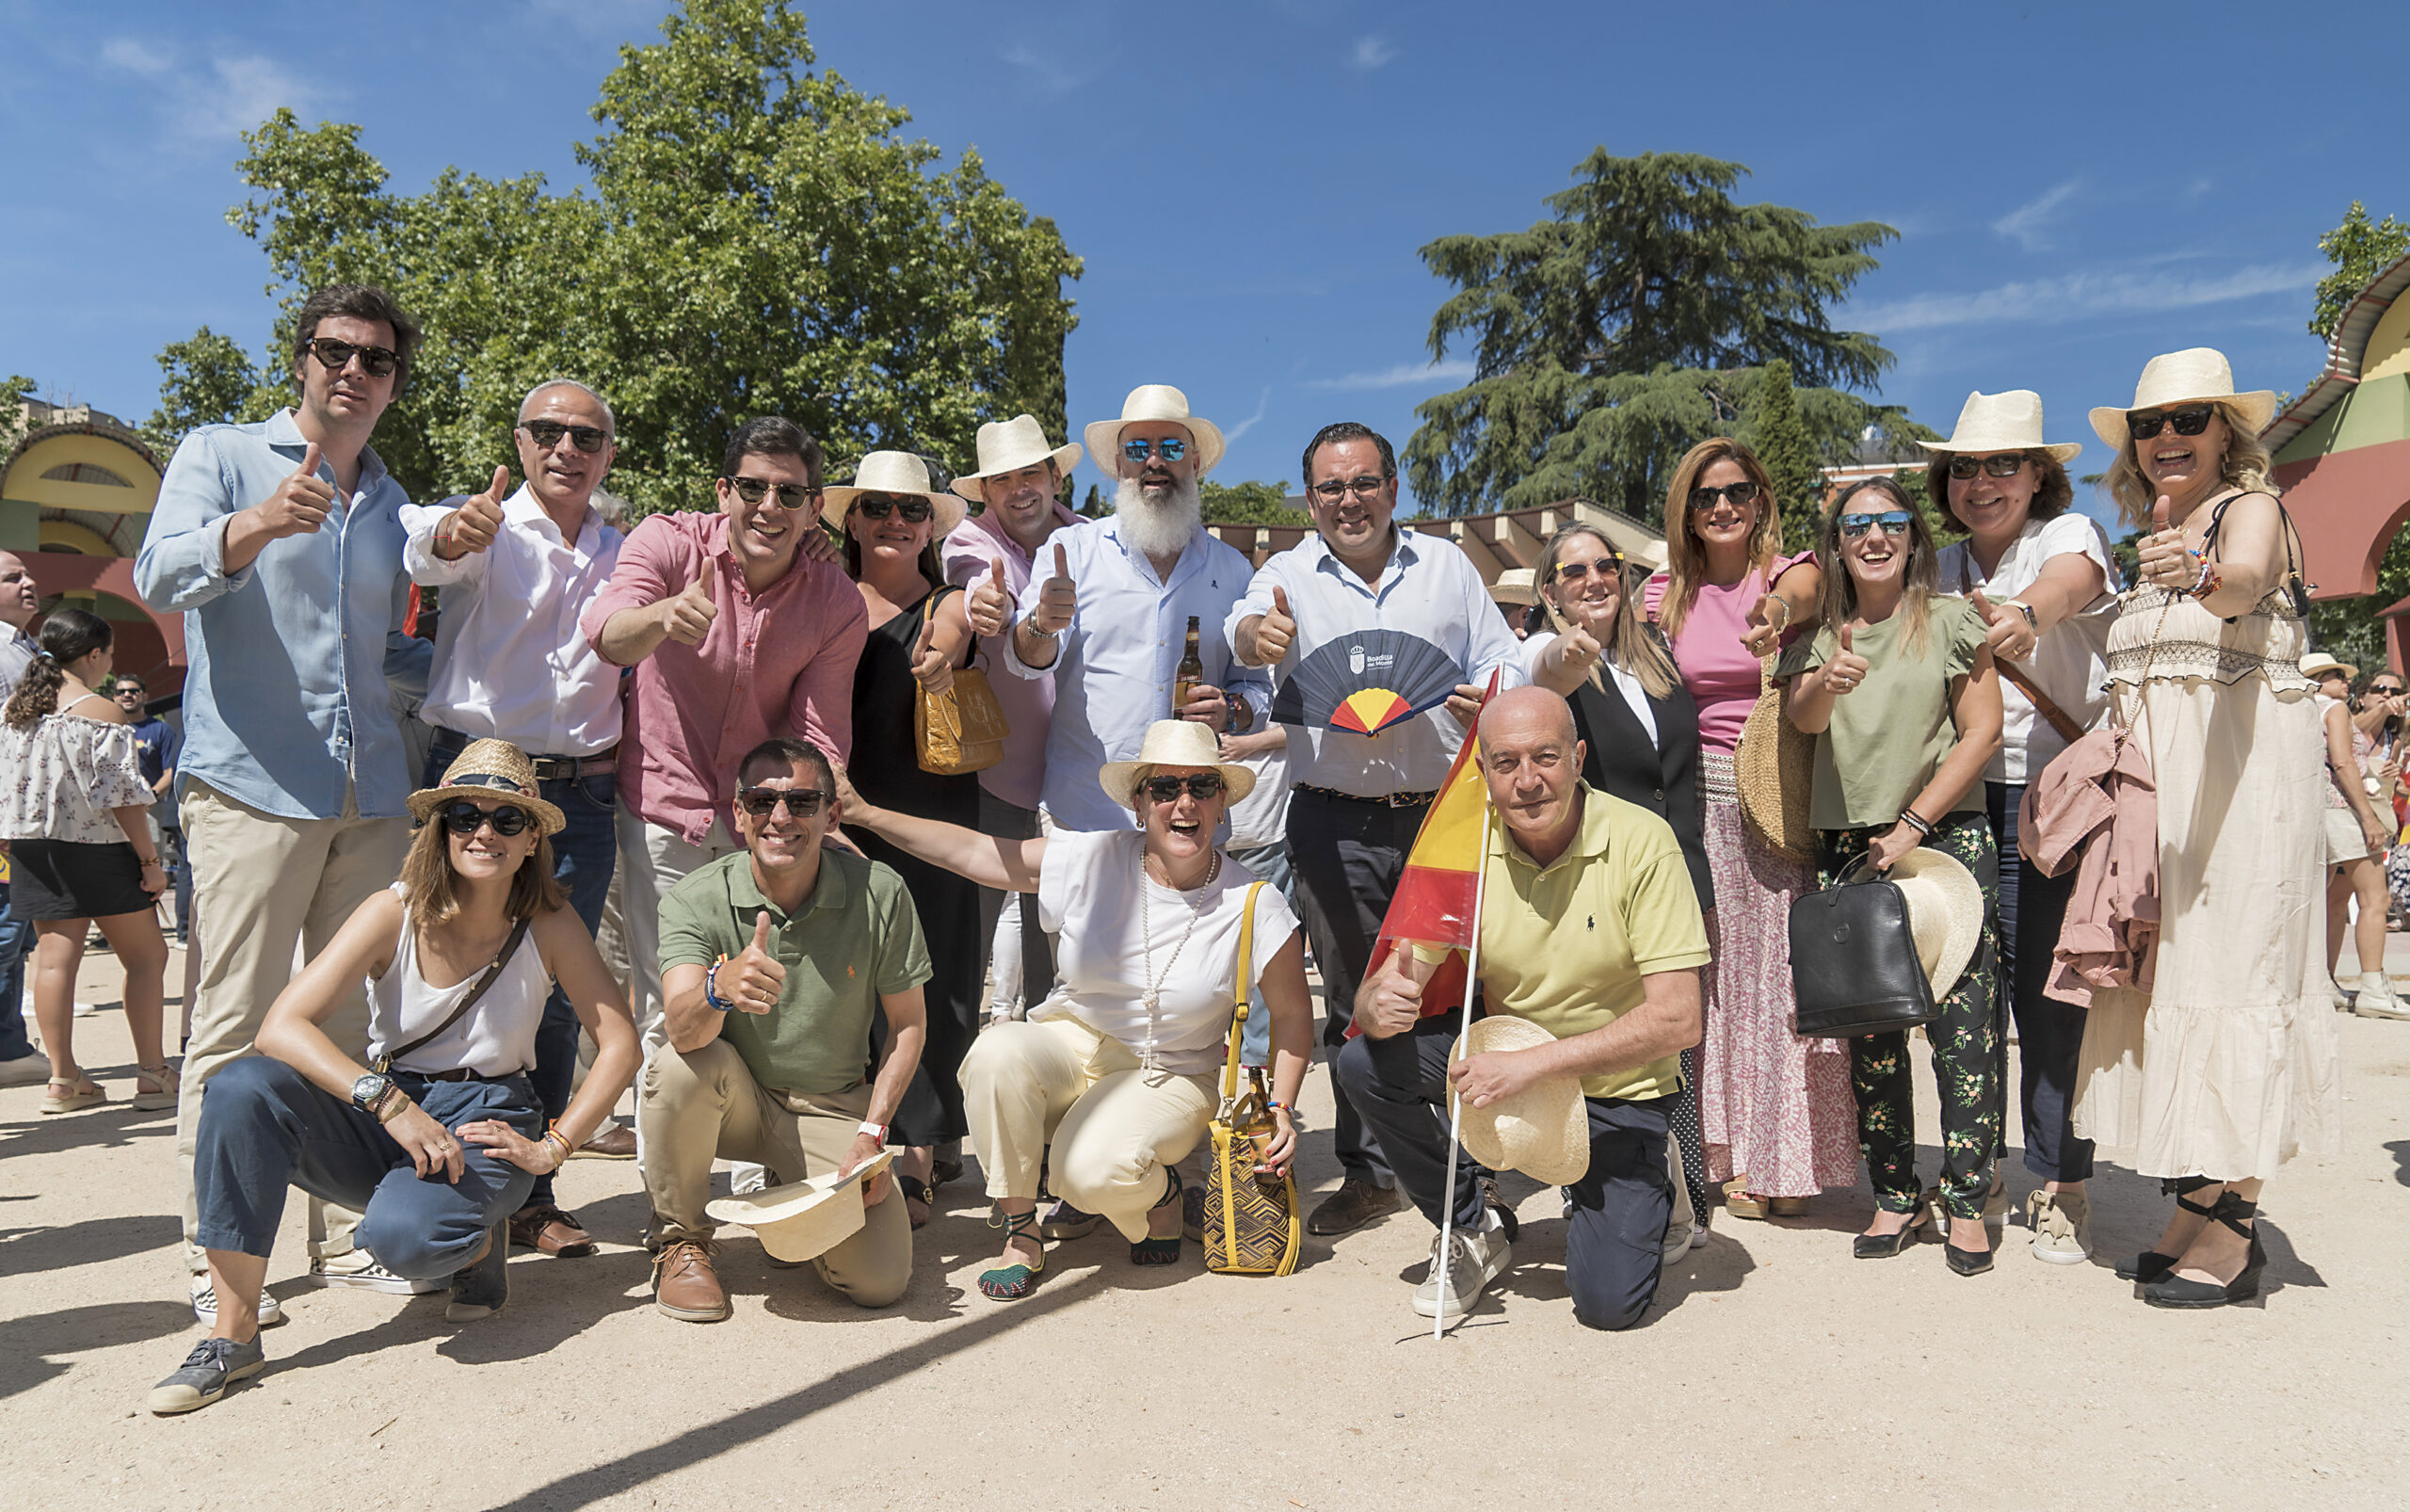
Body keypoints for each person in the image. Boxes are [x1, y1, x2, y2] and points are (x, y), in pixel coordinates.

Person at [144, 740, 641, 1413]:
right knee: (241, 1089)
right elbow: (281, 1027)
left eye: (507, 819)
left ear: (532, 841)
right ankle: (232, 1337)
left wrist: (554, 1147)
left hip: (489, 1108)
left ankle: (473, 1248)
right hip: (393, 1101)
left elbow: (620, 1044)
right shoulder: (394, 909)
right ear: (440, 829)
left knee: (405, 1242)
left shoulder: (548, 922)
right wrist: (384, 1100)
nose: (484, 833)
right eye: (464, 816)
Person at [136, 282, 435, 1318]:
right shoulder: (220, 455)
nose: (354, 371)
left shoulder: (394, 503)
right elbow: (155, 577)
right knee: (232, 1027)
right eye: (335, 351)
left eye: (377, 360)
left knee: (349, 1024)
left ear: (394, 383)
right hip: (252, 787)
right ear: (301, 359)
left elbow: (389, 653)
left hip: (372, 793)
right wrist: (255, 525)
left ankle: (347, 1235)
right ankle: (219, 1259)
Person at [835, 719, 1310, 1299]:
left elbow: (1292, 1014)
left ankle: (1160, 1197)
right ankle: (1020, 1230)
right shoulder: (1096, 856)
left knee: (1085, 1174)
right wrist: (865, 814)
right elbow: (977, 853)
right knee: (994, 1053)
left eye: (1201, 787)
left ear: (1221, 804)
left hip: (1172, 1069)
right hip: (1071, 1042)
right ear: (1139, 804)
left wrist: (1281, 1108)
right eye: (1165, 788)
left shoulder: (1254, 902)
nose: (1183, 804)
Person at [2076, 347, 2340, 1308]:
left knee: (2238, 979)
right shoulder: (2152, 530)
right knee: (2181, 984)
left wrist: (2198, 571)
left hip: (2240, 806)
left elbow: (2241, 583)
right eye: (2149, 424)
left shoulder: (2248, 510)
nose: (2166, 437)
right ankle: (2197, 1202)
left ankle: (2236, 1226)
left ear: (2227, 431)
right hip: (2168, 816)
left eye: (2189, 419)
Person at [1229, 421, 1525, 1238]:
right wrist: (1257, 636)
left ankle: (1475, 1167)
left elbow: (1503, 658)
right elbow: (1241, 630)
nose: (1349, 500)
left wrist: (1490, 691)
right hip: (1332, 821)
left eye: (1364, 483)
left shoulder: (1447, 567)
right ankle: (1368, 1174)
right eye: (1331, 487)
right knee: (1354, 1002)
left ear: (1393, 488)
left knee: (1458, 995)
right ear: (1310, 500)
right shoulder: (1285, 575)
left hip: (1443, 816)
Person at [1345, 687, 1708, 1327]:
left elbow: (1679, 1020)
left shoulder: (1642, 840)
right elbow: (1386, 989)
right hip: (1512, 1075)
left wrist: (1532, 1065)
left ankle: (1659, 1174)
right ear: (1483, 772)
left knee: (1608, 1308)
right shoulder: (1462, 848)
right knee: (1363, 1063)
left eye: (1546, 756)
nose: (1528, 780)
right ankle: (1471, 1225)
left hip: (1614, 1089)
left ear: (1579, 758)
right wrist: (1378, 1004)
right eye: (1506, 762)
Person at [401, 378, 628, 1253]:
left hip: (579, 793)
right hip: (475, 785)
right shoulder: (484, 526)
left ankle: (535, 1191)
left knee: (563, 995)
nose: (567, 448)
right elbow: (428, 546)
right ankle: (433, 1177)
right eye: (548, 431)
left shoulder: (625, 550)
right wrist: (451, 532)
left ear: (608, 454)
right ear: (521, 441)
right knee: (444, 970)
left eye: (586, 437)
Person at [580, 416, 864, 1068]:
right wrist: (662, 616)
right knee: (670, 1006)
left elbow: (817, 736)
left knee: (762, 1003)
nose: (769, 507)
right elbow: (607, 631)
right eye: (753, 487)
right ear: (723, 491)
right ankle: (665, 1140)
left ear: (815, 508)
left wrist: (819, 825)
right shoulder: (668, 542)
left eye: (790, 493)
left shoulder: (835, 600)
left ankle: (751, 1142)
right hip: (663, 808)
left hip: (763, 820)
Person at [1782, 475, 2005, 1276]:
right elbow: (1803, 720)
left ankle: (1968, 1200)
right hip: (1848, 846)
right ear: (1837, 545)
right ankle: (1895, 1194)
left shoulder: (1951, 619)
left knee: (1963, 1031)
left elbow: (1982, 732)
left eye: (1891, 522)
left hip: (1944, 836)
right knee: (1871, 1036)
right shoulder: (1821, 635)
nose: (1874, 537)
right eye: (1856, 526)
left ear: (1914, 537)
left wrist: (1913, 821)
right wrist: (1824, 680)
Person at [1921, 390, 2119, 1263]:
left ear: (2039, 475)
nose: (1982, 482)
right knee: (1963, 1002)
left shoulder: (2065, 537)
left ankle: (2063, 1183)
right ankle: (1978, 1170)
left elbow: (2069, 584)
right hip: (1958, 801)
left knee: (2050, 1001)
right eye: (1965, 467)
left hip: (2052, 801)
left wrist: (2025, 616)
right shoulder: (1935, 567)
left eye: (2003, 464)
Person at [1640, 439, 1856, 1226]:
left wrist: (1774, 615)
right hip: (1688, 802)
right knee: (1708, 975)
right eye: (1705, 496)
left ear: (1760, 498)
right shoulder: (1661, 596)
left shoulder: (1787, 574)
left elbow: (1801, 591)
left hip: (1769, 790)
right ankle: (1721, 1152)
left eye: (1736, 491)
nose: (1722, 507)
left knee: (1776, 980)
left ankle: (1786, 1160)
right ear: (1685, 511)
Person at [638, 737, 927, 1322]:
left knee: (879, 1282)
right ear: (738, 813)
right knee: (675, 1065)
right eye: (761, 801)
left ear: (831, 814)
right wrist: (719, 989)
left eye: (801, 801)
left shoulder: (881, 891)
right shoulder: (695, 899)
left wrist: (872, 1133)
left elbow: (908, 1025)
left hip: (831, 1106)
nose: (780, 817)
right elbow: (683, 1032)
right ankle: (680, 1241)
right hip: (734, 1099)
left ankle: (794, 1197)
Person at [1524, 521, 1711, 1249]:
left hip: (1680, 872)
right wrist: (1564, 653)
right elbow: (1547, 671)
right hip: (1597, 885)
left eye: (1606, 565)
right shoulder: (1546, 661)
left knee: (1678, 1044)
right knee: (1603, 1041)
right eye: (1573, 572)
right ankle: (1603, 1193)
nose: (1594, 580)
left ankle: (1687, 1195)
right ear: (1550, 591)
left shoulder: (1658, 654)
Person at [998, 385, 1270, 833]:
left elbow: (1256, 688)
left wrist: (1231, 710)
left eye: (1172, 448)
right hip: (1085, 815)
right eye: (1138, 449)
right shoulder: (1072, 551)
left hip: (1191, 819)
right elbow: (1026, 660)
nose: (1154, 461)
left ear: (1195, 463)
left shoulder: (1234, 569)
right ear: (1119, 464)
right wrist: (1041, 625)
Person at [828, 450, 981, 1226]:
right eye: (878, 506)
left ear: (931, 529)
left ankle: (918, 1152)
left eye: (913, 509)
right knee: (845, 981)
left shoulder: (948, 605)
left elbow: (955, 629)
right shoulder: (819, 597)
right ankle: (851, 1136)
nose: (895, 520)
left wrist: (943, 646)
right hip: (830, 816)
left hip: (930, 817)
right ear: (852, 519)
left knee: (931, 979)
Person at [0, 608, 171, 1114]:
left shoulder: (14, 709)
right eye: (110, 655)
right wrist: (150, 860)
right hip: (99, 848)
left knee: (54, 962)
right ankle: (153, 1072)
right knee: (148, 958)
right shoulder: (102, 711)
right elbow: (123, 798)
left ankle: (63, 1080)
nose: (111, 666)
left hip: (33, 848)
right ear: (93, 654)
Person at [945, 415, 1082, 1021]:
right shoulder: (969, 540)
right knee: (972, 931)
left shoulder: (1094, 541)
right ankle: (957, 1056)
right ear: (984, 492)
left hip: (1079, 777)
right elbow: (980, 589)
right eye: (1002, 480)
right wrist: (988, 604)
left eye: (1031, 473)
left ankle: (1051, 1059)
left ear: (1056, 478)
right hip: (997, 776)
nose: (1019, 489)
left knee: (1064, 943)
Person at [2306, 652, 2398, 1018]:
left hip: (2316, 811)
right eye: (2336, 675)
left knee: (2329, 901)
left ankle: (2322, 982)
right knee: (2376, 899)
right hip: (2344, 809)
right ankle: (2373, 986)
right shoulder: (2335, 710)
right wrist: (2368, 818)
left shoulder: (2301, 710)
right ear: (2317, 680)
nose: (2346, 681)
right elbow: (2343, 762)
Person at [0, 551, 48, 1086]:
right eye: (13, 578)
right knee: (6, 930)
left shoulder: (27, 647)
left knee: (19, 934)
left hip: (29, 818)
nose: (28, 583)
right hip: (6, 821)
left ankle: (10, 1045)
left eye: (27, 574)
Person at [114, 674, 190, 943]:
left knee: (149, 871)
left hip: (150, 811)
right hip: (111, 813)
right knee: (115, 870)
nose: (127, 695)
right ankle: (116, 931)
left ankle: (147, 929)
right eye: (121, 691)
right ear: (114, 697)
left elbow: (171, 771)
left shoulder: (160, 730)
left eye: (134, 691)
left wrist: (151, 797)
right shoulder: (107, 727)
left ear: (145, 696)